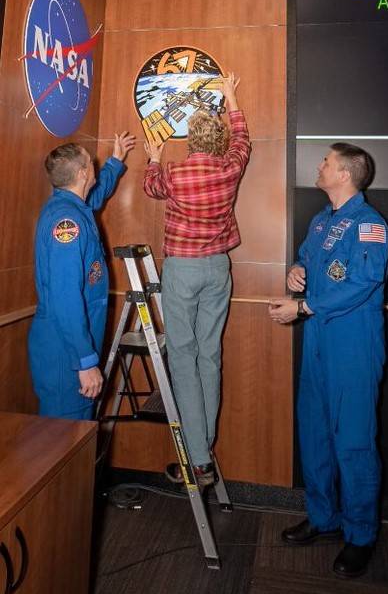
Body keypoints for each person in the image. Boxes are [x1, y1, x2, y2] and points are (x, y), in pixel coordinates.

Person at [269, 143, 388, 578]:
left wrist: (304, 307)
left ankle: (361, 535)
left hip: (353, 347)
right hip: (319, 343)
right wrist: (296, 271)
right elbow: (309, 260)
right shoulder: (322, 222)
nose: (319, 167)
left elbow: (362, 281)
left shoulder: (370, 225)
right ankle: (324, 518)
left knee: (354, 442)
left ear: (345, 174)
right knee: (315, 433)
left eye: (326, 162)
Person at [143, 72, 251, 487]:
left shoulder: (175, 174)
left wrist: (153, 156)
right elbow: (243, 141)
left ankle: (200, 459)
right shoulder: (230, 169)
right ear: (218, 141)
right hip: (218, 267)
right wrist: (231, 96)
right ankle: (204, 443)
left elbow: (151, 186)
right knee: (209, 356)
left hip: (183, 269)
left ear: (190, 140)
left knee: (183, 357)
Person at [28, 132, 136, 420]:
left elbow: (96, 195)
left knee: (70, 443)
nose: (95, 167)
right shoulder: (68, 223)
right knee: (63, 445)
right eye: (92, 163)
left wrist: (115, 160)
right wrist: (85, 362)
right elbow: (65, 297)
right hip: (67, 355)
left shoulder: (73, 207)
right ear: (82, 172)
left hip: (70, 348)